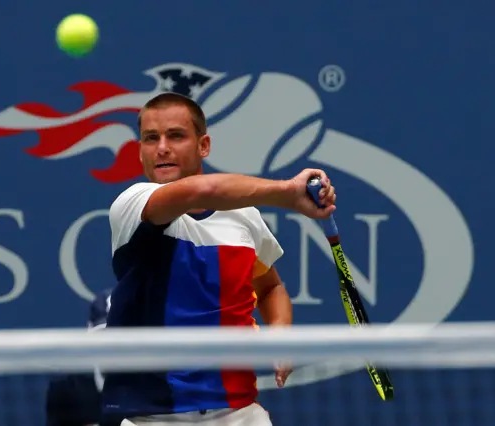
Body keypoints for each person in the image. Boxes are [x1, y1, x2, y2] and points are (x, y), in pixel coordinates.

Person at [102, 92, 337, 426]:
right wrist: (288, 193)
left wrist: (281, 333)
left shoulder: (245, 218)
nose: (162, 148)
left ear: (204, 146)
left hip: (239, 414)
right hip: (151, 419)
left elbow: (270, 288)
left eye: (176, 136)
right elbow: (203, 191)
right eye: (150, 139)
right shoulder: (132, 206)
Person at [46, 288, 117, 426]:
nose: (110, 344)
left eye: (117, 336)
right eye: (103, 335)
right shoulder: (66, 384)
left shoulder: (157, 385)